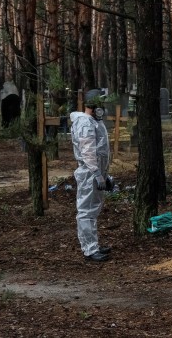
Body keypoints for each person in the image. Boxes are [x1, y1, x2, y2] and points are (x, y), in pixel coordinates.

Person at [70, 89, 113, 262]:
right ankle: (89, 249)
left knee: (92, 210)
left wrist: (104, 175)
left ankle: (93, 245)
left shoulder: (94, 121)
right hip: (89, 173)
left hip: (95, 172)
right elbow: (88, 152)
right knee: (86, 211)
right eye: (100, 102)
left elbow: (100, 151)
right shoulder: (85, 123)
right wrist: (97, 174)